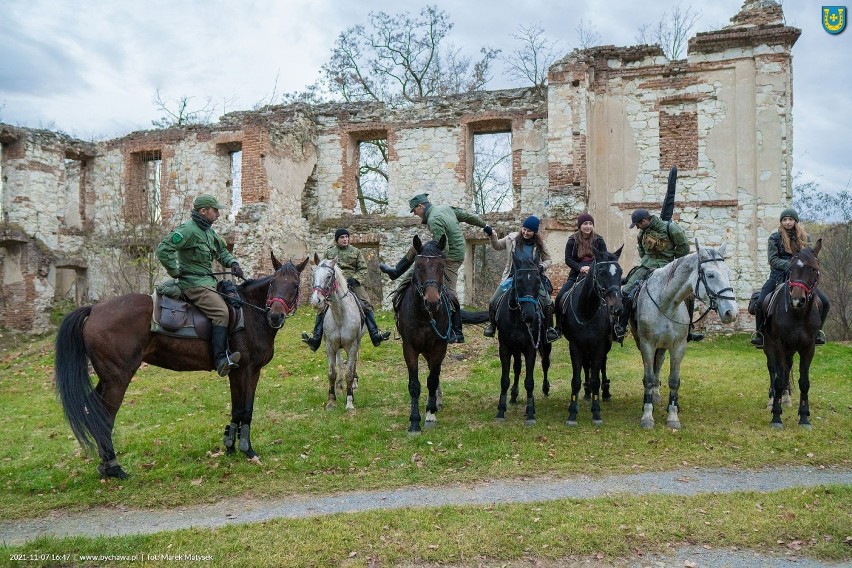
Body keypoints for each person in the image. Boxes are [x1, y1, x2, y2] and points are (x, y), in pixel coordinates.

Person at [379, 193, 491, 343]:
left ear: (421, 206)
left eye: (414, 211)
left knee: (449, 292)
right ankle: (395, 271)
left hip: (451, 257)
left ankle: (456, 332)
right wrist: (485, 226)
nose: (415, 214)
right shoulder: (444, 208)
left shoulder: (433, 219)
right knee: (416, 248)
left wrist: (431, 265)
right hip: (452, 251)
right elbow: (466, 216)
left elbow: (443, 249)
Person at [156, 194, 245, 377]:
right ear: (203, 211)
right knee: (221, 313)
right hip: (194, 284)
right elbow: (163, 249)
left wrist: (233, 263)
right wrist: (174, 271)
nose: (218, 214)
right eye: (215, 211)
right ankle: (220, 360)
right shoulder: (188, 230)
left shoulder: (209, 231)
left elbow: (221, 252)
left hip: (208, 282)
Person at [614, 208, 704, 342]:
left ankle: (688, 330)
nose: (637, 227)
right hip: (646, 266)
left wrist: (672, 260)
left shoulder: (671, 228)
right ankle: (621, 327)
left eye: (638, 224)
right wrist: (648, 261)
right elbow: (641, 249)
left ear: (644, 221)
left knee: (688, 295)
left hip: (668, 266)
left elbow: (684, 247)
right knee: (626, 291)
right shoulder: (642, 233)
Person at [301, 228, 392, 350]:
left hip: (353, 284)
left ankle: (375, 334)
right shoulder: (329, 252)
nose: (345, 239)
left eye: (346, 237)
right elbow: (324, 268)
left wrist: (355, 279)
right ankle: (316, 338)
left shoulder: (356, 252)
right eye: (342, 237)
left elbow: (363, 269)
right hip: (334, 285)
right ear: (337, 240)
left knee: (366, 304)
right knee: (322, 306)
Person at [751, 208, 829, 347]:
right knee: (760, 302)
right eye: (784, 220)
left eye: (790, 219)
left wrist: (802, 267)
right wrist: (792, 265)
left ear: (795, 221)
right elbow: (773, 259)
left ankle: (817, 333)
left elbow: (810, 257)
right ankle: (760, 334)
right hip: (779, 274)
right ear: (781, 222)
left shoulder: (805, 238)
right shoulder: (775, 238)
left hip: (802, 277)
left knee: (825, 302)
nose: (787, 222)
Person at [482, 216, 560, 343]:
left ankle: (549, 329)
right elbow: (496, 246)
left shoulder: (539, 244)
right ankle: (492, 325)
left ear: (535, 232)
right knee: (493, 300)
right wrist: (492, 235)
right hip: (513, 277)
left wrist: (541, 266)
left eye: (529, 231)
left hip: (533, 279)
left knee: (547, 302)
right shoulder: (511, 239)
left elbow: (548, 260)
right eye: (524, 229)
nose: (526, 232)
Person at [556, 213, 609, 303]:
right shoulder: (572, 240)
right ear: (580, 226)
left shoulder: (599, 240)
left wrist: (592, 267)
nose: (588, 226)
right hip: (576, 273)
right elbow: (568, 259)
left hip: (596, 272)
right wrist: (580, 268)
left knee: (610, 294)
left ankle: (613, 316)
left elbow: (604, 258)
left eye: (590, 223)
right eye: (585, 223)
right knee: (560, 296)